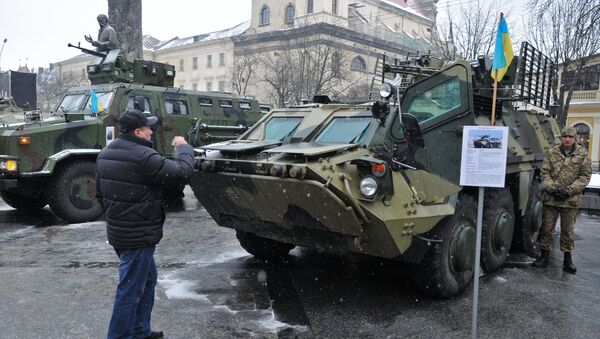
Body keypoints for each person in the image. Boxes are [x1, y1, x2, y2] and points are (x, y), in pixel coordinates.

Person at [96, 109, 194, 339]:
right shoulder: (144, 156)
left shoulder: (106, 153)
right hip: (137, 236)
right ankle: (120, 336)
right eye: (149, 127)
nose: (152, 131)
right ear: (138, 131)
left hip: (121, 232)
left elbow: (100, 195)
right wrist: (183, 148)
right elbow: (182, 173)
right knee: (130, 290)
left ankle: (140, 330)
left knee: (147, 280)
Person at [533, 126, 592, 274]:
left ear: (575, 139)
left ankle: (567, 260)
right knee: (546, 228)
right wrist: (552, 188)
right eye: (565, 136)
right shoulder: (553, 152)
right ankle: (544, 256)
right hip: (551, 197)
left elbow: (584, 176)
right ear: (561, 138)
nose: (567, 139)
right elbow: (544, 171)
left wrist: (569, 191)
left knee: (568, 231)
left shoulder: (582, 154)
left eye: (570, 137)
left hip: (569, 199)